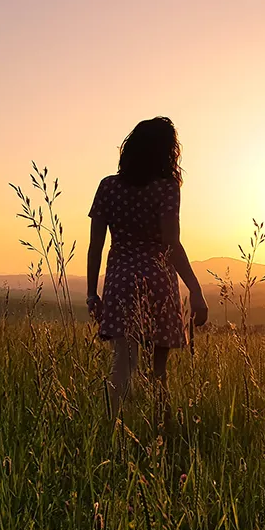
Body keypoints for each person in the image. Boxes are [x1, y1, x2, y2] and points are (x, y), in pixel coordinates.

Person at [86, 116, 209, 415]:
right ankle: (161, 431)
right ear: (168, 152)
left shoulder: (108, 187)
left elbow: (96, 246)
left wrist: (92, 293)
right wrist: (195, 289)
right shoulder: (166, 188)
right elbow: (172, 244)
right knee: (159, 374)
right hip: (158, 279)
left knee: (123, 366)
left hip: (120, 281)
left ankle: (112, 431)